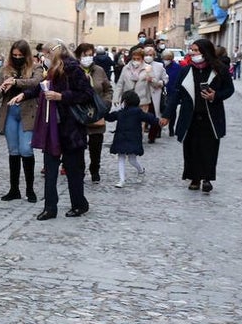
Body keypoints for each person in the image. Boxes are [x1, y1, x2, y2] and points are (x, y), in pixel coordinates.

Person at [9, 40, 95, 219]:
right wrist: (23, 95)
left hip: (71, 128)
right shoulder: (50, 71)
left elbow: (86, 93)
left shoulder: (73, 68)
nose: (43, 57)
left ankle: (79, 204)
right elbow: (41, 89)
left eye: (46, 53)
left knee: (73, 170)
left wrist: (61, 96)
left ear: (54, 53)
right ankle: (50, 207)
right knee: (50, 168)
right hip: (52, 126)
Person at [162, 38, 234, 193]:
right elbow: (175, 95)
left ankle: (207, 178)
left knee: (209, 149)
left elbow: (229, 90)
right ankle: (194, 178)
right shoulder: (185, 71)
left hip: (211, 117)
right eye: (192, 50)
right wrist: (167, 115)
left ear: (205, 52)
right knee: (191, 148)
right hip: (190, 117)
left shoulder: (219, 69)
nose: (193, 53)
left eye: (196, 51)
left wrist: (216, 96)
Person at [0, 40, 43, 203]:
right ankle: (14, 189)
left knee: (26, 149)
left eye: (20, 55)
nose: (17, 58)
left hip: (28, 113)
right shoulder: (6, 69)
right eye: (14, 55)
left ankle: (30, 189)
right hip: (10, 114)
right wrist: (1, 89)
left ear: (26, 55)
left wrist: (15, 82)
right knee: (13, 150)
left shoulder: (35, 67)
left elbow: (36, 83)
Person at [75, 42, 114, 183]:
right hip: (78, 113)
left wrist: (106, 103)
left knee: (96, 146)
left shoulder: (99, 70)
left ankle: (95, 169)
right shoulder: (74, 70)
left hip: (96, 113)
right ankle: (79, 171)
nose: (88, 58)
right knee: (78, 146)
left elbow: (108, 89)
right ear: (79, 55)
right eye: (85, 55)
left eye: (90, 55)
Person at [105, 90, 158, 188]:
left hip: (123, 138)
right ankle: (124, 179)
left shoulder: (123, 112)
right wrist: (157, 121)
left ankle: (137, 172)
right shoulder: (136, 112)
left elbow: (109, 117)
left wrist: (104, 111)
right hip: (131, 138)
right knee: (129, 159)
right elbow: (149, 118)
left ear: (125, 101)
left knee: (127, 159)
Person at [115, 47, 166, 143]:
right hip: (128, 99)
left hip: (142, 99)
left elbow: (155, 84)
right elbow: (120, 83)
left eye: (138, 59)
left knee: (140, 122)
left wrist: (150, 79)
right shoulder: (126, 68)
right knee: (128, 121)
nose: (136, 61)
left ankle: (138, 139)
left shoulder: (147, 68)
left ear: (142, 59)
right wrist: (116, 97)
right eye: (134, 59)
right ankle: (128, 138)